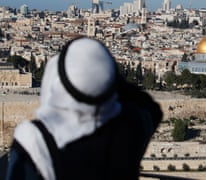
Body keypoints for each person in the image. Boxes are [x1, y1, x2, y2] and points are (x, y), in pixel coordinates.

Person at [5, 37, 162, 180]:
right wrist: (104, 76)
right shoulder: (132, 126)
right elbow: (150, 106)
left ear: (59, 82)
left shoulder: (34, 138)